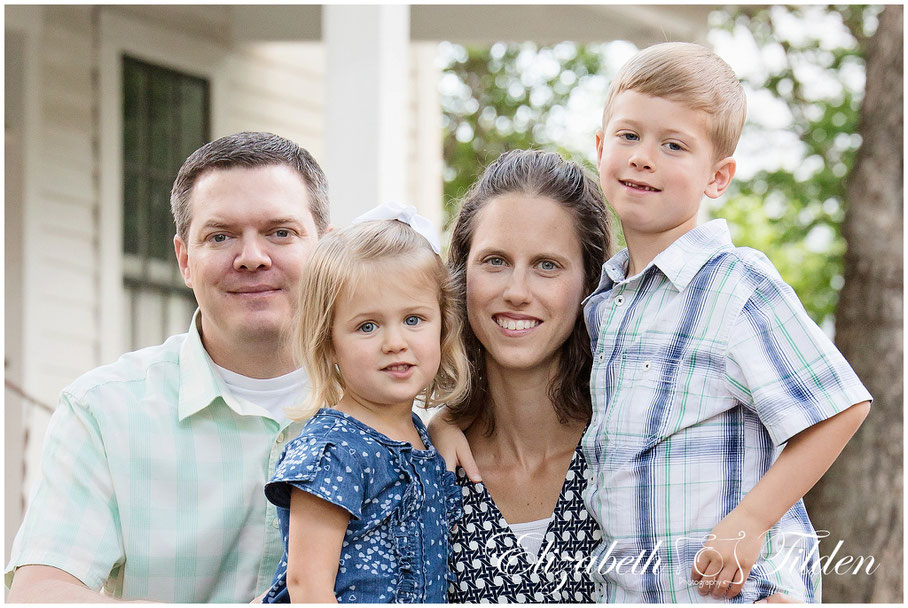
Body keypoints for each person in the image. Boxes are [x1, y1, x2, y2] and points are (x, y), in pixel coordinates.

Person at [583, 42, 871, 602]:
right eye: (628, 136)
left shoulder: (733, 284)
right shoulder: (603, 302)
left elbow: (839, 407)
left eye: (673, 145)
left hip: (738, 591)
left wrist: (752, 521)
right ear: (600, 147)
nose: (644, 156)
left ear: (717, 178)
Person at [5, 132, 331, 602]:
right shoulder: (102, 411)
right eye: (220, 237)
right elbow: (42, 594)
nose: (252, 258)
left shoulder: (401, 410)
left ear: (328, 250)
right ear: (184, 260)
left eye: (280, 232)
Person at [260, 208, 470, 603]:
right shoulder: (334, 450)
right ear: (329, 342)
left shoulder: (417, 435)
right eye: (367, 326)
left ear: (443, 325)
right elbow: (307, 586)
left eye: (413, 319)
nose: (395, 342)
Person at [436, 149, 613, 602]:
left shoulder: (630, 455)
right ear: (461, 276)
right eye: (494, 261)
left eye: (547, 265)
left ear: (589, 284)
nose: (516, 292)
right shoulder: (423, 466)